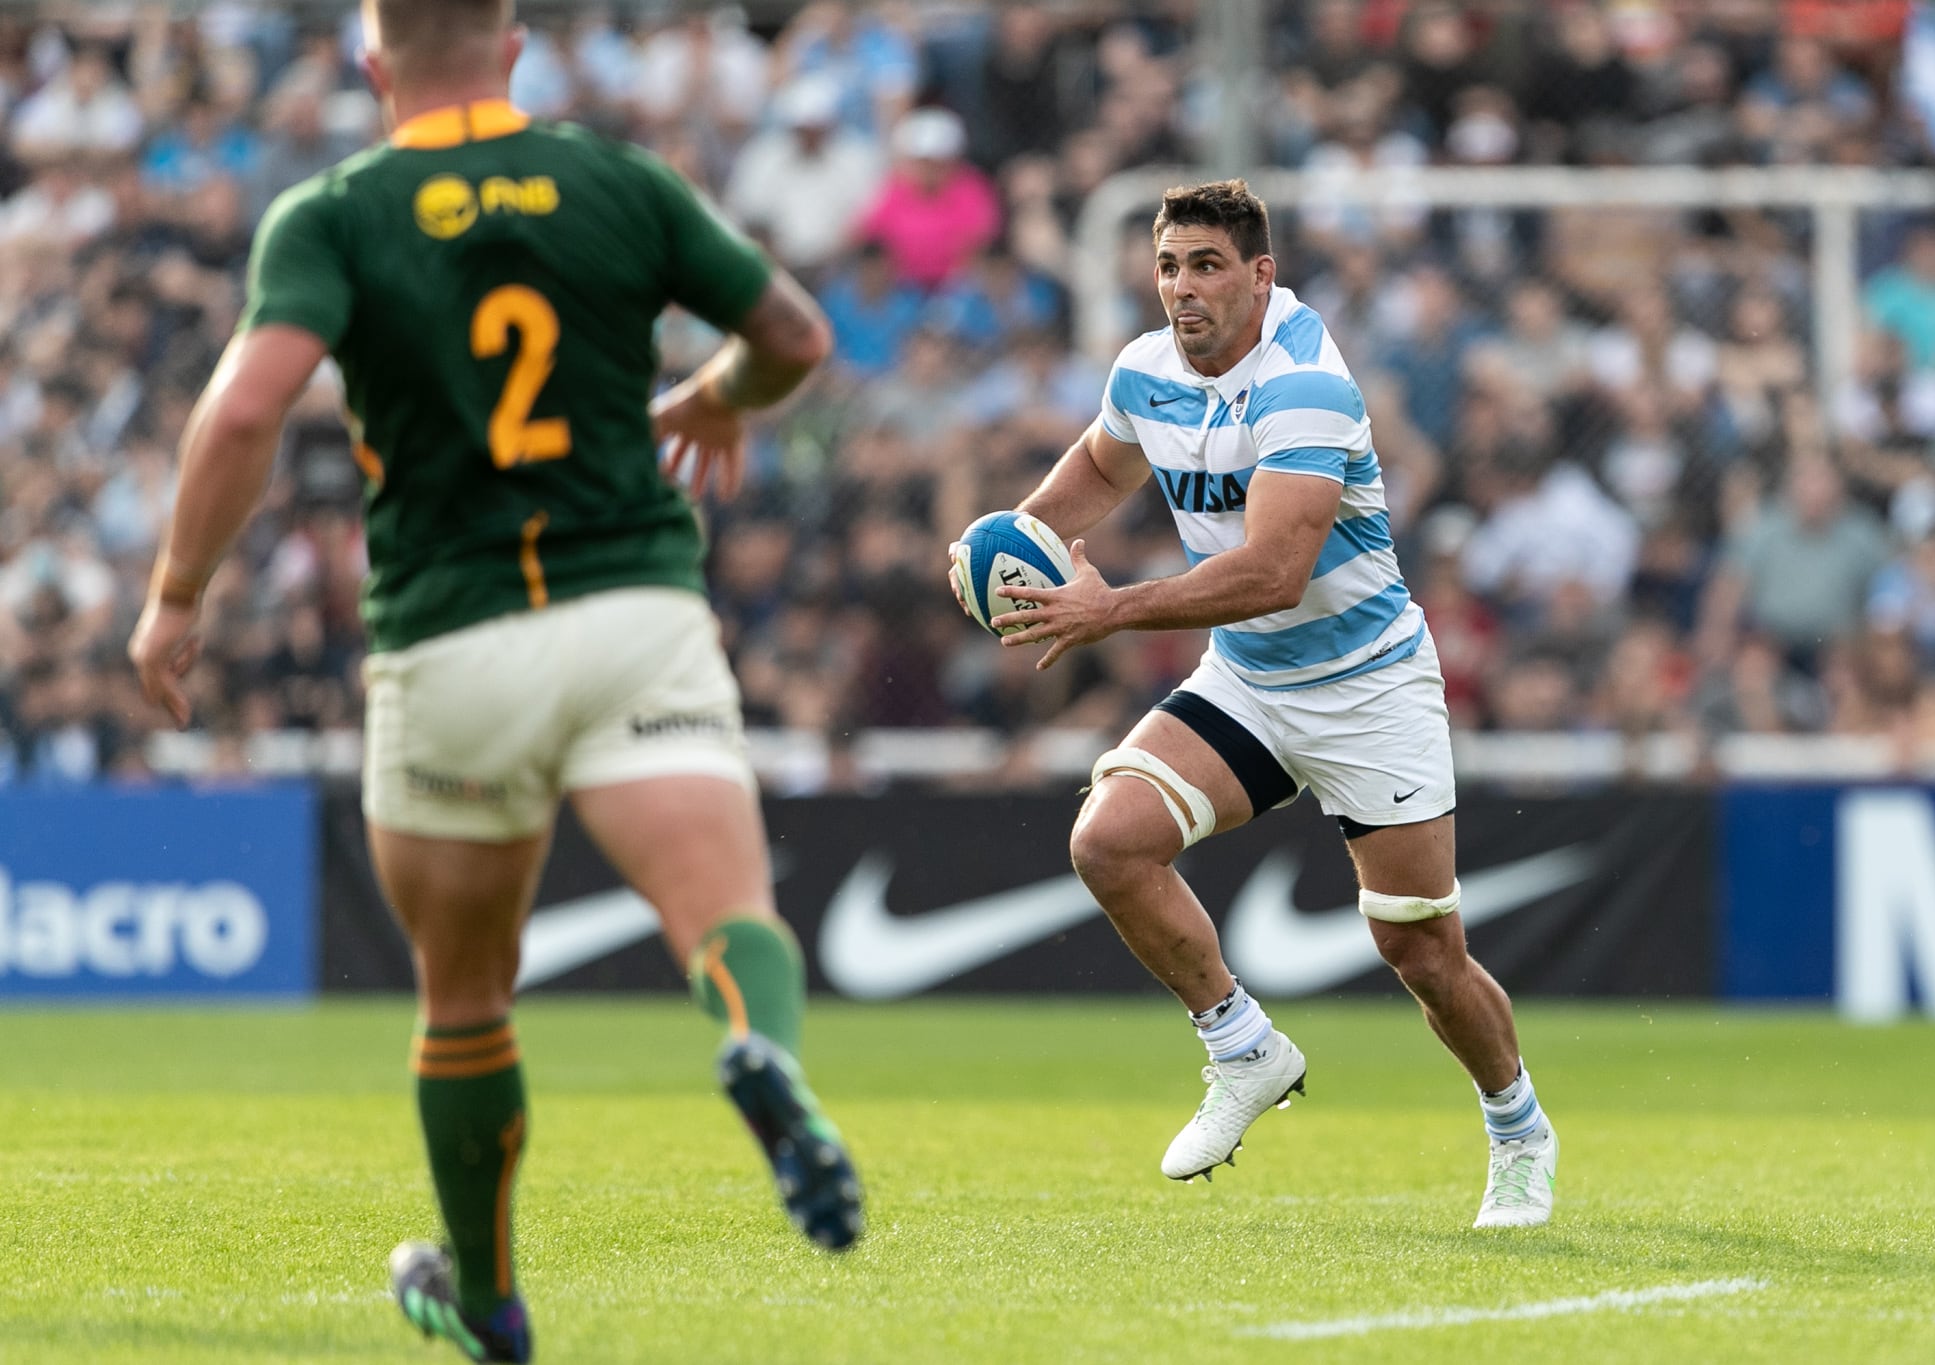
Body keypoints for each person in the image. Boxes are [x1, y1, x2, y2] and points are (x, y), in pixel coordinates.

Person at [127, 3, 861, 1360]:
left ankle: (486, 1299)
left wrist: (176, 595)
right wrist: (715, 395)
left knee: (465, 999)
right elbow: (798, 337)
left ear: (371, 62)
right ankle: (768, 1056)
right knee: (723, 912)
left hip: (450, 637)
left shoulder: (336, 212)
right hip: (635, 607)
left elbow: (243, 409)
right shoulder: (619, 179)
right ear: (513, 47)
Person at [970, 180, 1557, 1228]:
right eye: (1166, 266)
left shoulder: (1305, 386)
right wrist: (996, 549)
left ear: (1259, 275)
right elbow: (1088, 484)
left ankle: (1516, 1128)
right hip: (1248, 679)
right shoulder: (1144, 372)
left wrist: (1110, 612)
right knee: (1109, 842)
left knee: (1420, 952)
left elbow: (1273, 572)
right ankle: (1242, 1049)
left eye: (1204, 266)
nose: (1181, 288)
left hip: (1368, 687)